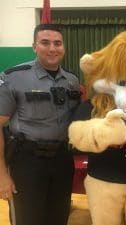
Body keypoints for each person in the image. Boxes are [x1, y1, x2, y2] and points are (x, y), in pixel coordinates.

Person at [0, 24, 81, 225]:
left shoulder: (71, 81)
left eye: (58, 43)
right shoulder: (13, 77)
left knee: (58, 217)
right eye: (45, 42)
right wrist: (1, 174)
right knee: (28, 219)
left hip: (62, 161)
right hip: (27, 162)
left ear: (64, 47)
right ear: (34, 46)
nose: (52, 48)